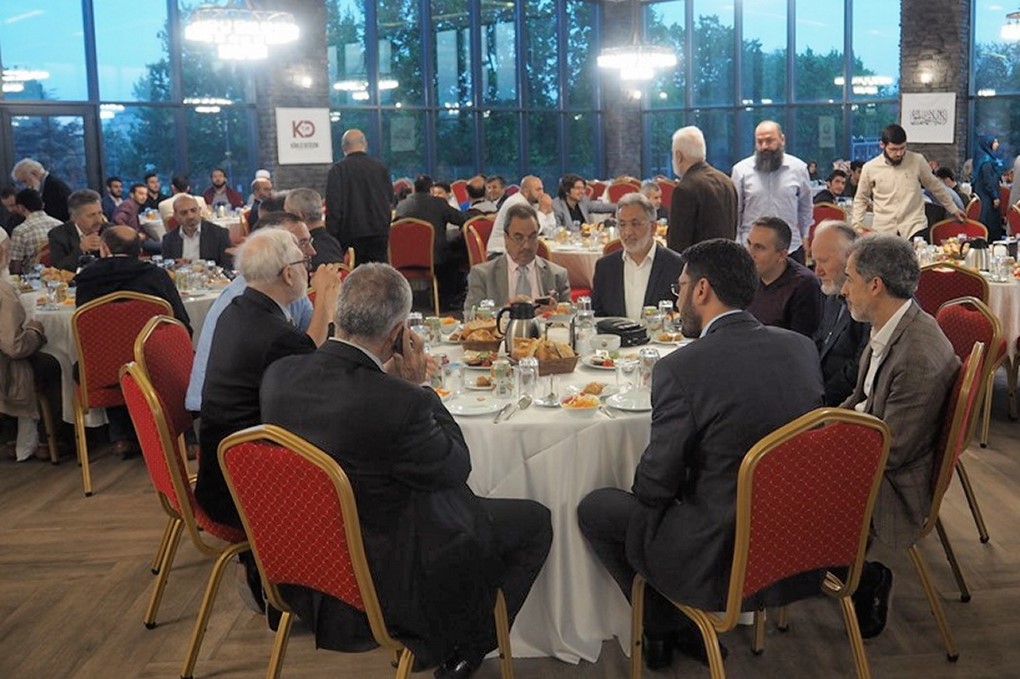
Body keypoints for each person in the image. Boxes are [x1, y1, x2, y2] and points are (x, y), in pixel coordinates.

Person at [261, 263, 552, 678]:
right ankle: (465, 649)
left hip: (305, 562)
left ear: (339, 313)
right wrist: (418, 387)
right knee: (533, 522)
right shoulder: (400, 403)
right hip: (386, 576)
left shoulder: (278, 376)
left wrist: (391, 384)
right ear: (398, 333)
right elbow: (455, 465)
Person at [578, 239, 823, 671]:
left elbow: (655, 486)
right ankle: (673, 623)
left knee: (597, 508)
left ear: (703, 290)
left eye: (680, 288)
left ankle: (662, 622)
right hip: (795, 537)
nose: (678, 300)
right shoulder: (800, 348)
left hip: (719, 551)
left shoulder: (682, 368)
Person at [838, 234, 959, 639]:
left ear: (875, 285)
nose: (843, 289)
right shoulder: (893, 326)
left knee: (768, 484)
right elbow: (860, 399)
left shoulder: (917, 354)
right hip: (872, 449)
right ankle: (831, 565)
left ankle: (860, 575)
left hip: (892, 483)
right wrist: (816, 428)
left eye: (849, 278)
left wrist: (820, 451)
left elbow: (892, 451)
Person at [196, 228, 325, 529]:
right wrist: (326, 301)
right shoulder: (276, 334)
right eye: (303, 263)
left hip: (219, 471)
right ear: (288, 275)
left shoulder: (236, 309)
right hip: (246, 490)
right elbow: (314, 381)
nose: (307, 269)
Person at [185, 212, 339, 413]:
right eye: (302, 258)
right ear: (288, 275)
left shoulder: (245, 304)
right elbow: (309, 365)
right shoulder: (267, 326)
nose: (312, 254)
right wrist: (324, 297)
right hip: (244, 429)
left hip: (239, 415)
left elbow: (310, 343)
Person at [74, 226, 191, 457]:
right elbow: (179, 322)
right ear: (139, 251)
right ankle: (186, 437)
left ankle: (122, 436)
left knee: (105, 354)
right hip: (156, 365)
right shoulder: (155, 276)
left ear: (104, 249)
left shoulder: (87, 279)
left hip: (104, 370)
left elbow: (88, 335)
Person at [0, 237, 62, 462]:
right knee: (55, 363)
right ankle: (50, 439)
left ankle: (10, 438)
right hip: (6, 371)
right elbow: (15, 347)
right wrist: (35, 331)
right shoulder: (3, 291)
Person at [852, 124, 965, 238]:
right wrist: (856, 226)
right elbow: (861, 198)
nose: (899, 153)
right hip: (884, 230)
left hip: (915, 227)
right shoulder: (870, 168)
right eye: (893, 149)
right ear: (882, 145)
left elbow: (935, 187)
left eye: (902, 148)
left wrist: (953, 209)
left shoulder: (917, 161)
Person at [590, 193, 684, 319]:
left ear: (653, 227)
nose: (627, 232)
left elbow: (685, 317)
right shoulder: (605, 267)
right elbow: (596, 317)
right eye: (622, 224)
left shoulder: (676, 265)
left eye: (635, 224)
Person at [731, 120, 813, 262]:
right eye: (759, 142)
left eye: (769, 141)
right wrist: (738, 244)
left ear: (782, 140)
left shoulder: (798, 169)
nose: (764, 146)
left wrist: (805, 235)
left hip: (790, 248)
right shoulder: (741, 170)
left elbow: (805, 208)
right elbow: (735, 212)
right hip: (751, 250)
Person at [465, 203, 570, 311]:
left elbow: (570, 316)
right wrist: (507, 310)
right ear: (506, 239)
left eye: (532, 237)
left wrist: (556, 311)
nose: (526, 245)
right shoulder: (483, 275)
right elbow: (470, 315)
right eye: (519, 238)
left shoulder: (557, 275)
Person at [810, 221, 868, 406]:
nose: (817, 271)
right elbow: (820, 342)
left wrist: (818, 401)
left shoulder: (868, 300)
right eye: (815, 261)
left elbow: (858, 370)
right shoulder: (833, 291)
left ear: (851, 257)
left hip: (839, 404)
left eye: (824, 261)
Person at [394, 174, 467, 307]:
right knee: (455, 258)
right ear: (431, 190)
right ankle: (446, 302)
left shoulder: (401, 205)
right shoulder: (439, 203)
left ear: (414, 189)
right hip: (435, 259)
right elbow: (461, 219)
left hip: (404, 259)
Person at [745, 216, 822, 338]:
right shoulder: (745, 274)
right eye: (749, 244)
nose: (750, 253)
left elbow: (802, 341)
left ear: (781, 255)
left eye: (759, 247)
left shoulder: (804, 285)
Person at [324, 129, 393, 264]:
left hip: (349, 237)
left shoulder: (338, 170)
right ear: (365, 144)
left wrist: (332, 239)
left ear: (343, 147)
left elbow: (333, 207)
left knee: (355, 275)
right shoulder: (381, 168)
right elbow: (390, 199)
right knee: (378, 274)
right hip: (379, 233)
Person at [667, 126, 737, 253]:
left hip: (698, 264)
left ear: (678, 156)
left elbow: (677, 245)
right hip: (727, 261)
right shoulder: (727, 182)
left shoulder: (684, 189)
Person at [161, 195, 232, 267]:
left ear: (200, 210)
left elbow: (227, 266)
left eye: (193, 210)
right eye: (184, 213)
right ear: (176, 216)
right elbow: (166, 268)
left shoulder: (219, 234)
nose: (190, 216)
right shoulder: (169, 239)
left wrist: (193, 264)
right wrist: (174, 265)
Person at [283, 188, 346, 269]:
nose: (284, 218)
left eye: (286, 212)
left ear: (298, 215)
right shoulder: (330, 241)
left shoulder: (314, 250)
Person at [485, 175, 546, 257]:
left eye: (542, 189)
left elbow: (550, 231)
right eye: (538, 190)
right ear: (526, 192)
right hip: (500, 252)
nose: (542, 193)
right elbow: (530, 232)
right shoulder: (516, 203)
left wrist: (548, 211)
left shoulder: (534, 203)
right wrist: (543, 211)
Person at [48, 189, 104, 272]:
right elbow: (59, 268)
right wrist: (81, 249)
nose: (98, 220)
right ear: (74, 218)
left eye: (100, 213)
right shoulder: (58, 235)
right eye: (91, 215)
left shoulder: (109, 230)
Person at [9, 189, 60, 274]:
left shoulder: (20, 231)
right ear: (42, 205)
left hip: (33, 279)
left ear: (21, 207)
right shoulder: (60, 225)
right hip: (59, 277)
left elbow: (16, 268)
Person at [11, 158, 71, 223]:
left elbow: (57, 216)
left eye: (25, 181)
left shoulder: (55, 188)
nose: (26, 186)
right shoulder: (48, 185)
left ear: (34, 173)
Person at [550, 174, 614, 229]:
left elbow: (600, 207)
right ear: (566, 191)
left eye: (583, 188)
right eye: (578, 188)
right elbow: (556, 230)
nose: (582, 192)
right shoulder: (557, 205)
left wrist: (619, 207)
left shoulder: (583, 201)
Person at [972, 134, 1004, 240]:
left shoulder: (983, 159)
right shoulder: (986, 162)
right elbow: (988, 181)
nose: (997, 144)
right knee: (989, 224)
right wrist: (995, 196)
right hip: (987, 198)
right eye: (995, 142)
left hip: (984, 196)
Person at [113, 183, 160, 253]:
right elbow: (118, 219)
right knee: (164, 246)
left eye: (146, 194)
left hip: (136, 240)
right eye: (141, 194)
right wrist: (134, 234)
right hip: (130, 243)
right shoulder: (128, 204)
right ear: (132, 195)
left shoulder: (134, 205)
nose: (144, 197)